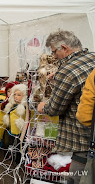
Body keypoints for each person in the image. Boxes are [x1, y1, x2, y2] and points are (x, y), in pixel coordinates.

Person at [37, 29, 95, 184]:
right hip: (92, 135)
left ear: (64, 48)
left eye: (54, 51)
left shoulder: (67, 71)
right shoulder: (92, 57)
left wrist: (42, 106)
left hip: (82, 139)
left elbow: (55, 108)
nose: (54, 56)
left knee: (77, 178)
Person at [3, 84, 27, 163]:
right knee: (12, 143)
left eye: (19, 95)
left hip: (20, 131)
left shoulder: (23, 107)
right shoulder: (12, 105)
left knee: (20, 145)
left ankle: (19, 159)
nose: (16, 96)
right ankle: (12, 156)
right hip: (12, 130)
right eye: (15, 94)